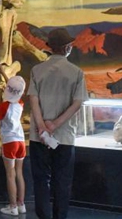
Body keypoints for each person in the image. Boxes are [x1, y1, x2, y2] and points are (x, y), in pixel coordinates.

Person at [29, 28, 88, 219]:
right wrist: (55, 125)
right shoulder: (76, 73)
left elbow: (33, 100)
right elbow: (77, 103)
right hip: (64, 136)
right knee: (62, 181)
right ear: (67, 47)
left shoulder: (36, 70)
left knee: (40, 181)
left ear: (50, 47)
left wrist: (42, 126)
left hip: (38, 137)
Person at [0, 75, 27, 216]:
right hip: (21, 141)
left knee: (10, 175)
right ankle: (21, 204)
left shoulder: (3, 106)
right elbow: (15, 93)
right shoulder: (21, 103)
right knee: (19, 173)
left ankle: (12, 206)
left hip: (9, 141)